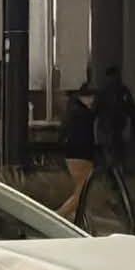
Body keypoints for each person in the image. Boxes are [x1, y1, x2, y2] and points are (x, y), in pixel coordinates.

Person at [58, 82, 98, 220]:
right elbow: (85, 136)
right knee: (81, 192)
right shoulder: (83, 113)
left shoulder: (71, 109)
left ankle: (76, 217)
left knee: (80, 189)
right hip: (82, 155)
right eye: (91, 97)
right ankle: (60, 216)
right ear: (84, 97)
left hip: (72, 154)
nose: (93, 100)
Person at [94, 66, 135, 172]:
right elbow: (132, 109)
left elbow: (95, 110)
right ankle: (117, 173)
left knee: (110, 153)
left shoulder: (103, 91)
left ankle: (112, 172)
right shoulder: (123, 90)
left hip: (107, 128)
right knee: (117, 153)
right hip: (117, 128)